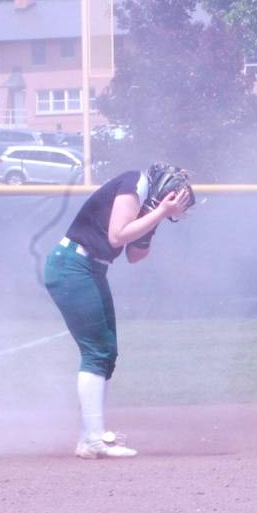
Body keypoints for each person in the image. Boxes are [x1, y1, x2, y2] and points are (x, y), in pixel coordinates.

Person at [44, 162, 194, 459]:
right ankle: (94, 439)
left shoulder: (145, 204)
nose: (175, 201)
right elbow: (116, 236)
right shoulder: (133, 181)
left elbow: (136, 255)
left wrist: (156, 217)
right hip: (73, 264)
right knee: (97, 352)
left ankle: (89, 437)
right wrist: (160, 212)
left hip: (91, 269)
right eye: (174, 195)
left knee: (107, 352)